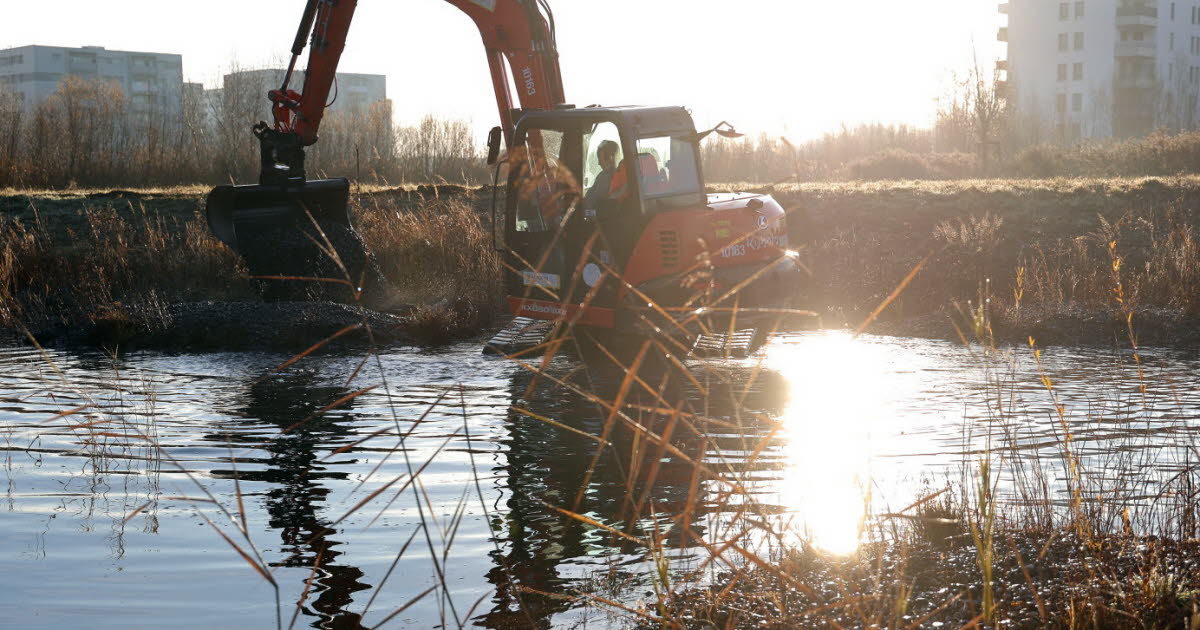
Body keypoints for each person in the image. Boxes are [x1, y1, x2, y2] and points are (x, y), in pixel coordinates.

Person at [584, 140, 620, 208]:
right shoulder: (620, 175)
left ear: (610, 158)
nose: (599, 163)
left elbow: (593, 203)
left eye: (600, 159)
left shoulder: (605, 177)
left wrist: (586, 213)